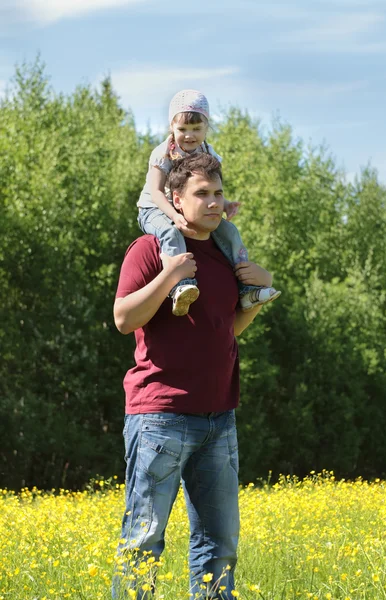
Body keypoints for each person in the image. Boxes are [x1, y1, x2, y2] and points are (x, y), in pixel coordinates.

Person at [112, 153, 274, 599]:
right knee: (143, 542)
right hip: (159, 418)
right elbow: (124, 318)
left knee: (219, 547)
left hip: (219, 417)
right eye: (202, 194)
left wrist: (259, 293)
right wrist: (170, 276)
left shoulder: (224, 255)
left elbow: (229, 328)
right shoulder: (150, 249)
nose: (213, 202)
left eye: (219, 193)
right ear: (175, 200)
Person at [137, 88, 280, 317]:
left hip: (187, 209)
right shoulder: (164, 152)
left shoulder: (207, 153)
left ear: (207, 127)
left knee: (230, 232)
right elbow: (155, 192)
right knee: (171, 234)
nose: (189, 135)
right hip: (156, 208)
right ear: (171, 127)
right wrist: (174, 217)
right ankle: (180, 286)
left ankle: (247, 288)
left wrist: (226, 204)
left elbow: (208, 189)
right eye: (182, 129)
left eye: (196, 128)